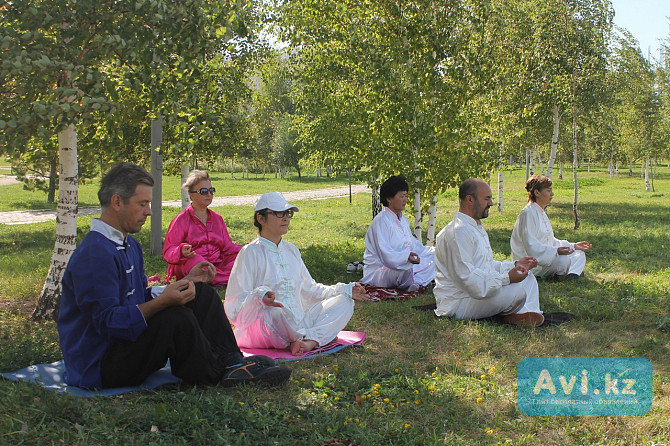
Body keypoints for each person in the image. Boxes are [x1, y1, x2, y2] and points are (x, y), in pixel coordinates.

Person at [58, 163, 290, 390]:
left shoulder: (130, 246)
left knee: (201, 294)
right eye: (142, 204)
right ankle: (216, 375)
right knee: (176, 319)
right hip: (101, 365)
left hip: (125, 345)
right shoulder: (94, 254)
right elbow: (107, 322)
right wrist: (162, 303)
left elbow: (138, 296)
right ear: (117, 201)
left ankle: (233, 362)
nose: (149, 211)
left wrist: (186, 281)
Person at [225, 192, 371, 356]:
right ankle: (306, 338)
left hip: (299, 322)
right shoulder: (250, 252)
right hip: (267, 324)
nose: (285, 218)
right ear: (260, 218)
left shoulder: (291, 250)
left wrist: (345, 289)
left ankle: (308, 342)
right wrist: (259, 297)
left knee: (345, 302)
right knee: (274, 311)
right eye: (279, 213)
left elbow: (311, 289)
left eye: (288, 213)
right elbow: (235, 302)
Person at [433, 178, 544, 326]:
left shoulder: (474, 226)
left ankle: (525, 313)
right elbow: (469, 280)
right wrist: (507, 278)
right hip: (459, 302)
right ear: (470, 199)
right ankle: (514, 314)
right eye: (487, 199)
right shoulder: (458, 232)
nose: (491, 203)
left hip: (478, 291)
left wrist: (515, 265)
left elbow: (485, 265)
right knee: (516, 291)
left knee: (527, 276)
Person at [163, 170, 241, 287]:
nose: (209, 194)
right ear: (191, 195)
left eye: (211, 190)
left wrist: (245, 250)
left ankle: (215, 277)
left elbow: (227, 247)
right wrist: (181, 250)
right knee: (198, 263)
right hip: (191, 263)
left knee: (241, 259)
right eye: (204, 191)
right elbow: (168, 250)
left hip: (217, 264)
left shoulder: (217, 219)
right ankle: (231, 278)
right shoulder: (181, 220)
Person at [510, 174, 592, 280]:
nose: (552, 194)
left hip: (547, 257)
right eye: (548, 191)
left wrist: (573, 246)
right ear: (537, 192)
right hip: (533, 264)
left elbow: (550, 241)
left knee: (578, 254)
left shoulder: (540, 212)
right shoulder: (527, 213)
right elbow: (531, 246)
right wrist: (556, 252)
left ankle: (572, 275)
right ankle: (567, 273)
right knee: (564, 260)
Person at [360, 175, 435, 291]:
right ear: (389, 199)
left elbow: (412, 244)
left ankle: (416, 282)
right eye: (401, 196)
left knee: (436, 257)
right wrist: (406, 258)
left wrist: (431, 251)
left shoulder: (402, 219)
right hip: (381, 270)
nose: (405, 200)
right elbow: (386, 255)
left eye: (406, 196)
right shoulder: (381, 221)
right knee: (406, 269)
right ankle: (417, 281)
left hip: (402, 264)